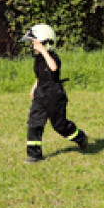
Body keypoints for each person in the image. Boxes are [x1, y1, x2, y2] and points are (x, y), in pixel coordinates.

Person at [21, 23, 89, 162]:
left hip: (54, 95)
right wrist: (35, 86)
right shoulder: (38, 58)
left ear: (44, 42)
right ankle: (34, 155)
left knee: (60, 125)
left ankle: (80, 137)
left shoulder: (52, 57)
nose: (33, 46)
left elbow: (53, 68)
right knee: (34, 123)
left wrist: (44, 51)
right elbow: (41, 75)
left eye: (34, 43)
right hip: (41, 93)